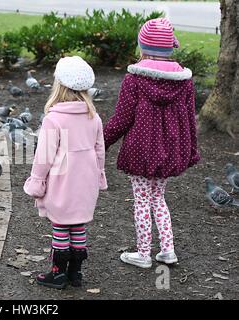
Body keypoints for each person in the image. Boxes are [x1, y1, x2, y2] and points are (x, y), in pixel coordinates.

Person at [103, 18, 200, 268]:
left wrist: (101, 142)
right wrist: (191, 151)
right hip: (169, 150)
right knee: (159, 198)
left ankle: (143, 254)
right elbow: (190, 119)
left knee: (142, 200)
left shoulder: (134, 79)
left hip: (140, 150)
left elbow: (122, 119)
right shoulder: (184, 81)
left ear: (143, 47)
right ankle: (168, 250)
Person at [23, 56, 107, 289]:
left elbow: (44, 157)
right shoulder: (94, 117)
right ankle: (75, 273)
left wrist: (37, 182)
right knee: (78, 225)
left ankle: (58, 273)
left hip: (63, 180)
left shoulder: (54, 119)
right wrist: (99, 174)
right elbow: (100, 150)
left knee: (60, 225)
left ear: (58, 86)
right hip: (86, 180)